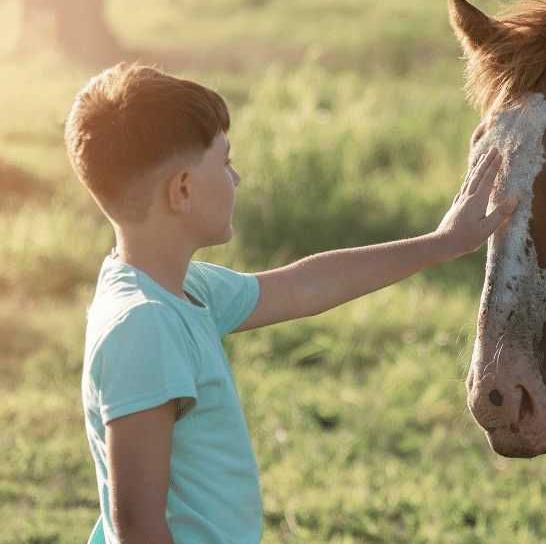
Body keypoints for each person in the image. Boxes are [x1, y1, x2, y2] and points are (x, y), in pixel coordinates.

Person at [64, 63, 518, 544]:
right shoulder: (145, 325)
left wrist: (443, 243)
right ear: (181, 190)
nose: (236, 178)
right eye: (224, 162)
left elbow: (308, 285)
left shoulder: (178, 287)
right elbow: (137, 523)